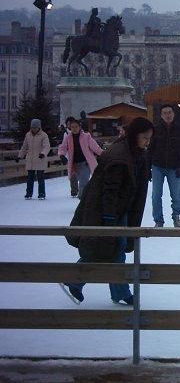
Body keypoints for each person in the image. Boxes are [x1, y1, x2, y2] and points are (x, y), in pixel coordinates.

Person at [61, 117, 154, 305]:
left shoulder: (132, 151)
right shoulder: (120, 156)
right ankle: (116, 290)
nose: (147, 142)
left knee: (107, 249)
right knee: (111, 249)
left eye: (149, 138)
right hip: (108, 211)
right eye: (145, 137)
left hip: (119, 209)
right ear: (135, 135)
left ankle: (77, 280)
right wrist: (109, 217)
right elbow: (110, 189)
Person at [149, 104, 180, 228]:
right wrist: (147, 168)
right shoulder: (155, 130)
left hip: (174, 167)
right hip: (157, 166)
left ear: (173, 114)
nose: (168, 115)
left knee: (176, 195)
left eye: (170, 112)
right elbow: (150, 149)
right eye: (165, 113)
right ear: (161, 115)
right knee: (156, 195)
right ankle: (158, 220)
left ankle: (176, 217)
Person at [57, 117, 103, 198]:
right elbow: (62, 147)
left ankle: (81, 197)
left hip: (85, 163)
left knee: (83, 182)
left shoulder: (86, 137)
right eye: (72, 127)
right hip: (74, 164)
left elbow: (95, 147)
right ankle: (82, 198)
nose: (74, 129)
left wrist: (103, 154)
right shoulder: (68, 138)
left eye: (76, 127)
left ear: (79, 127)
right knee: (76, 180)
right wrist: (61, 155)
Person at [17, 119, 51, 200]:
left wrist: (43, 153)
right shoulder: (28, 135)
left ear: (39, 127)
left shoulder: (43, 135)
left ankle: (42, 193)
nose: (34, 129)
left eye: (35, 128)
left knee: (40, 177)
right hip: (30, 160)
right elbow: (24, 147)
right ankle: (29, 193)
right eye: (32, 127)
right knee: (30, 178)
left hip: (40, 159)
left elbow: (47, 146)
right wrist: (19, 156)